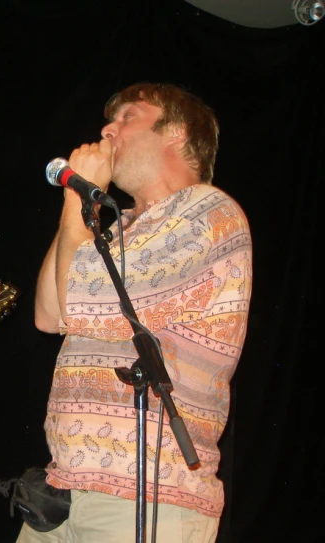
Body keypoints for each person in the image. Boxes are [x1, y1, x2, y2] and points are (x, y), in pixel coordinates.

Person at [21, 82, 252, 543]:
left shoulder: (208, 211)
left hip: (150, 495)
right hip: (65, 489)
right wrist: (82, 206)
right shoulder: (119, 229)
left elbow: (81, 296)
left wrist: (76, 197)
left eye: (128, 116)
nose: (108, 128)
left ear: (177, 132)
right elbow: (49, 314)